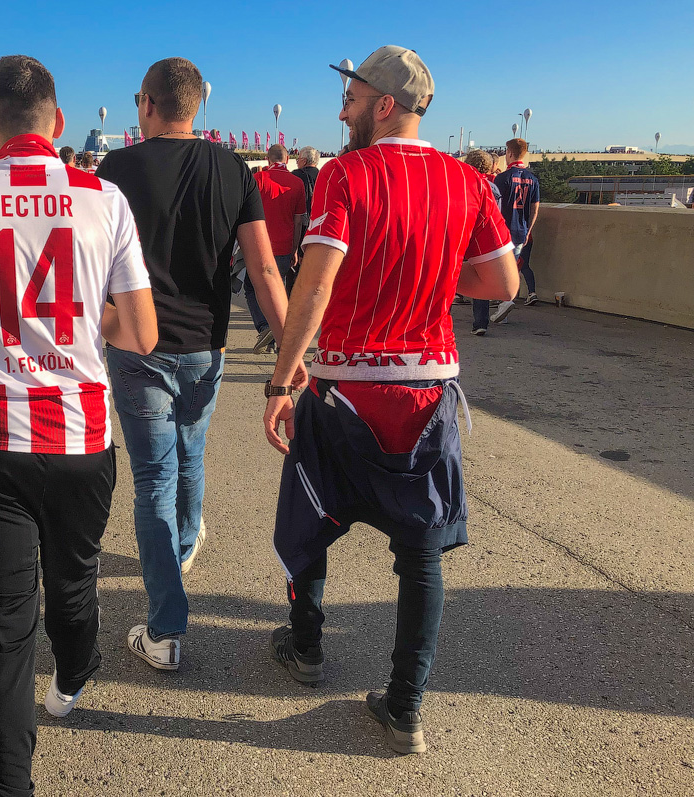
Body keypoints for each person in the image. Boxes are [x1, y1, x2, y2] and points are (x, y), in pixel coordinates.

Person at [0, 54, 156, 797]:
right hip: (79, 439)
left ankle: (10, 785)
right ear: (60, 123)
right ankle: (77, 666)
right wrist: (79, 311)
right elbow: (141, 332)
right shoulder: (102, 197)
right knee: (74, 580)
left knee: (2, 631)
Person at [262, 45, 518, 755]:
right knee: (422, 551)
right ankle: (405, 707)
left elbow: (313, 288)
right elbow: (502, 284)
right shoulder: (468, 182)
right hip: (426, 390)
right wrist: (432, 277)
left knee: (308, 522)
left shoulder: (347, 173)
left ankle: (306, 648)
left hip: (346, 387)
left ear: (384, 106)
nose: (341, 106)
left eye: (352, 95)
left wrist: (282, 382)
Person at [95, 57, 288, 670]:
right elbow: (262, 269)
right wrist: (290, 349)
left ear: (146, 104)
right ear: (197, 105)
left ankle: (166, 627)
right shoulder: (232, 167)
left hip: (136, 343)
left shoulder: (117, 168)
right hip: (206, 344)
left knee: (153, 476)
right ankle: (181, 547)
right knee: (190, 455)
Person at [247, 144, 307, 353]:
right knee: (279, 290)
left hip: (258, 246)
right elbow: (299, 220)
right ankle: (280, 338)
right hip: (284, 246)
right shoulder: (297, 183)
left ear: (267, 159)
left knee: (252, 288)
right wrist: (295, 250)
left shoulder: (259, 180)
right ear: (288, 159)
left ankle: (266, 328)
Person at [490, 137, 541, 323]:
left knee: (499, 268)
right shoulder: (532, 179)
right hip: (521, 230)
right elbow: (535, 207)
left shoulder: (502, 178)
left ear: (509, 153)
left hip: (503, 229)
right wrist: (528, 229)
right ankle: (506, 300)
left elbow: (495, 204)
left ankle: (504, 300)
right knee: (513, 267)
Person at [463, 149, 503, 335]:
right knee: (481, 279)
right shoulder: (493, 188)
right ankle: (481, 322)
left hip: (465, 235)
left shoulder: (466, 184)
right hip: (486, 238)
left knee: (450, 276)